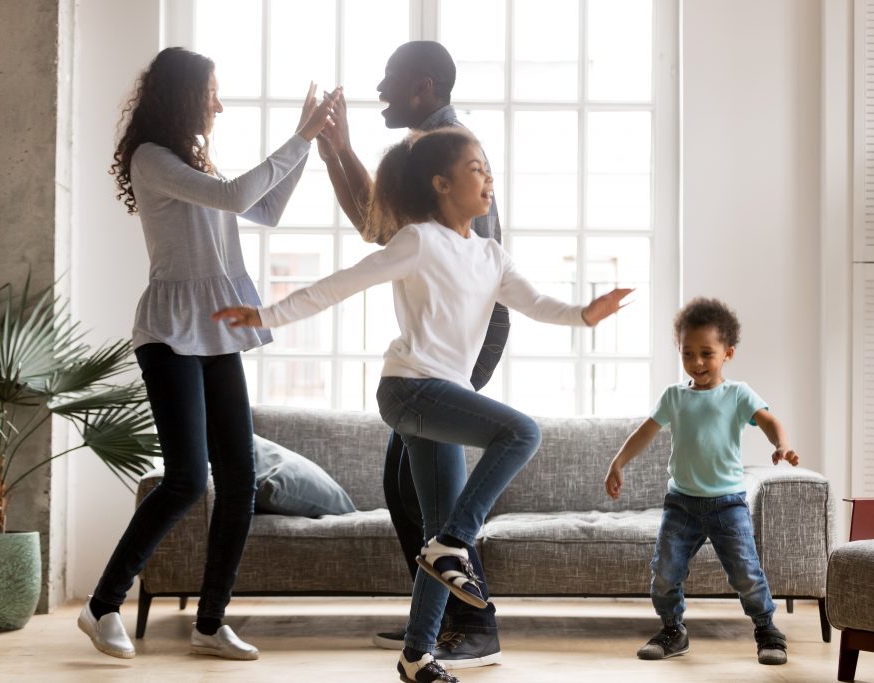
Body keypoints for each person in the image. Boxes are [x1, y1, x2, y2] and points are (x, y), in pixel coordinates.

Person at [213, 127, 631, 683]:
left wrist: (585, 313)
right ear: (441, 184)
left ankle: (417, 653)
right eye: (475, 168)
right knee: (521, 434)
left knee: (438, 526)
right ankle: (453, 547)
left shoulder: (490, 254)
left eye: (487, 168)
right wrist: (265, 316)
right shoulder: (419, 241)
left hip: (442, 396)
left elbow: (539, 305)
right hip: (410, 388)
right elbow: (343, 282)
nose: (487, 178)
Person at [78, 46, 339, 661]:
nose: (218, 103)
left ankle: (210, 622)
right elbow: (233, 196)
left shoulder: (196, 159)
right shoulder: (153, 159)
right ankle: (101, 605)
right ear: (184, 96)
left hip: (217, 326)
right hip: (170, 332)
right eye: (212, 92)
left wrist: (310, 142)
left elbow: (264, 207)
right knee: (189, 479)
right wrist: (300, 135)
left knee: (241, 476)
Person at [315, 40, 508, 668]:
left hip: (466, 336)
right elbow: (381, 228)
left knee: (422, 487)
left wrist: (339, 150)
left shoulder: (443, 149)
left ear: (422, 87)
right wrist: (336, 151)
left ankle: (472, 626)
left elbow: (382, 230)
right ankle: (437, 622)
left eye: (390, 80)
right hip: (452, 337)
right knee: (406, 480)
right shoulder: (423, 148)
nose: (379, 90)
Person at [603, 297, 800, 666]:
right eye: (687, 353)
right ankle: (673, 630)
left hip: (727, 504)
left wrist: (782, 445)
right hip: (681, 503)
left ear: (729, 353)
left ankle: (767, 630)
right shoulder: (674, 397)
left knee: (745, 572)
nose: (696, 363)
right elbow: (645, 432)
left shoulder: (738, 393)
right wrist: (618, 462)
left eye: (706, 354)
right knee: (664, 572)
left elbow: (770, 421)